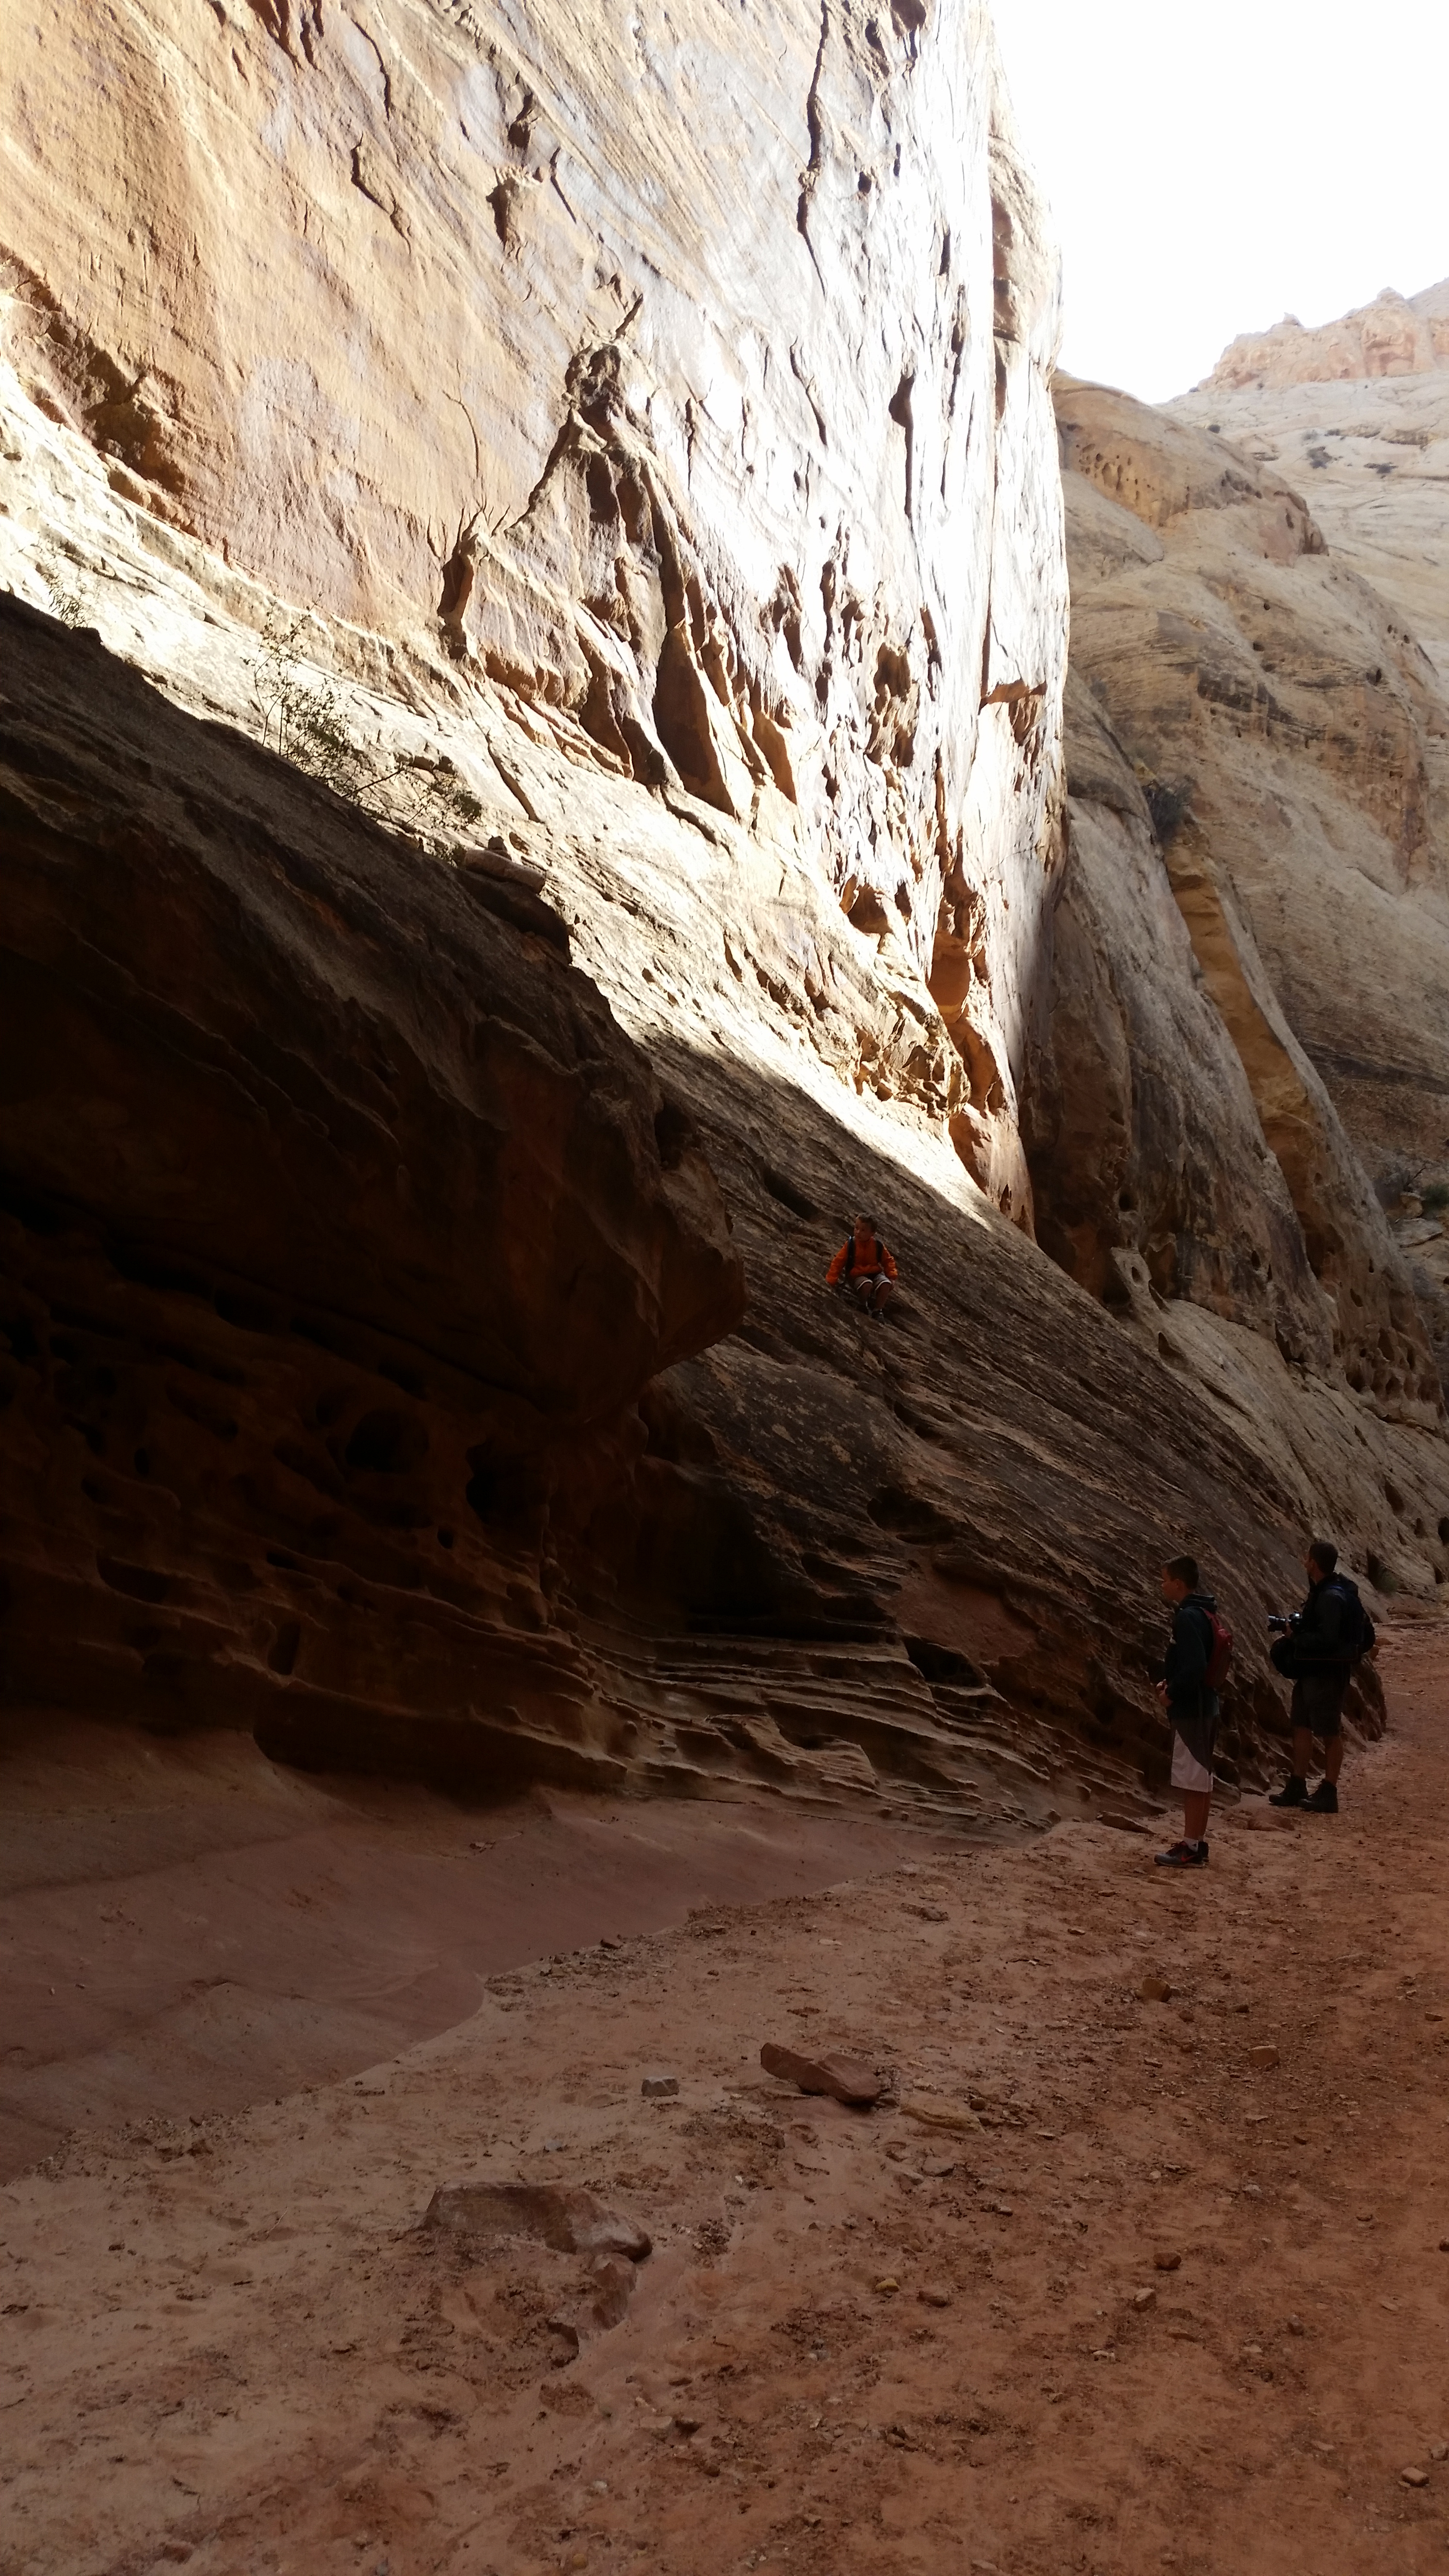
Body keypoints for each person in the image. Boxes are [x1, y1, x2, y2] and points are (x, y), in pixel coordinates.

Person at [1267, 1540, 1370, 1814]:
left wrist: (1295, 1636)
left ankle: (1329, 1791)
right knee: (1301, 1724)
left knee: (1328, 1731)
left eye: (1307, 1557)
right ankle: (1298, 1784)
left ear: (1314, 1562)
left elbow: (1327, 1639)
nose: (1304, 1560)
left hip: (1327, 1672)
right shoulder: (1325, 1592)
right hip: (1313, 1670)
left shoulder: (1329, 1597)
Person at [1153, 1553, 1222, 1869]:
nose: (1162, 1585)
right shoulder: (1205, 1613)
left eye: (1165, 1579)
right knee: (1201, 1778)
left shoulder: (1187, 1617)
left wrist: (1171, 1693)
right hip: (1206, 1705)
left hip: (1191, 1708)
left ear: (1178, 1584)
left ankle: (1191, 1848)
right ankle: (1197, 1842)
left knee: (1193, 1779)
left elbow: (1194, 1665)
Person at [826, 1214, 899, 1317]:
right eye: (856, 1228)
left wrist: (892, 1277)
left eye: (863, 1230)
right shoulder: (851, 1244)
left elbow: (888, 1261)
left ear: (872, 1233)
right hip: (856, 1275)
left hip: (874, 1274)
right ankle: (863, 1304)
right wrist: (831, 1280)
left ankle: (878, 1310)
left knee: (886, 1284)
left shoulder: (877, 1246)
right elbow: (838, 1262)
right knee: (867, 1284)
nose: (858, 1232)